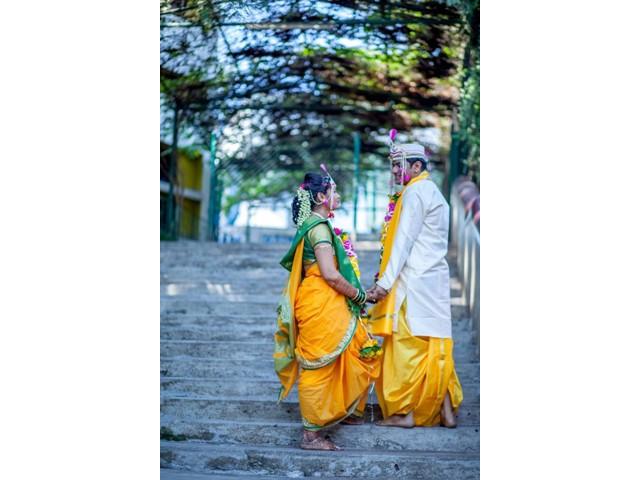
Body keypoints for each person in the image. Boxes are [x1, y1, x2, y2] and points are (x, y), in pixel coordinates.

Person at [274, 171, 380, 451]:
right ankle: (310, 436)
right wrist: (360, 295)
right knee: (318, 364)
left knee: (355, 350)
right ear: (321, 197)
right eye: (334, 190)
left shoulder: (316, 224)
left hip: (325, 300)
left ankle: (344, 410)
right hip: (320, 301)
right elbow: (331, 275)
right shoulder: (319, 228)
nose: (338, 195)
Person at [367, 139, 463, 428]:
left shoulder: (415, 192)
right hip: (434, 280)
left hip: (413, 283)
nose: (395, 171)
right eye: (393, 165)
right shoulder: (433, 192)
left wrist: (384, 283)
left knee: (406, 346)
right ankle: (446, 409)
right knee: (434, 343)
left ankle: (405, 412)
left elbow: (403, 241)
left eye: (399, 165)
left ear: (417, 166)